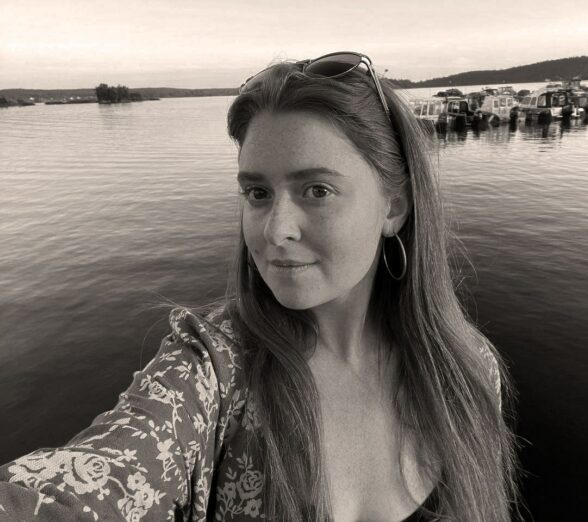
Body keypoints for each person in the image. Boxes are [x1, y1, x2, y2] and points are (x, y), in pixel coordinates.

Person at [0, 52, 518, 521]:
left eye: (317, 190)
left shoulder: (467, 371)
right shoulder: (212, 373)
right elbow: (94, 482)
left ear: (394, 207)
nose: (275, 230)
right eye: (257, 192)